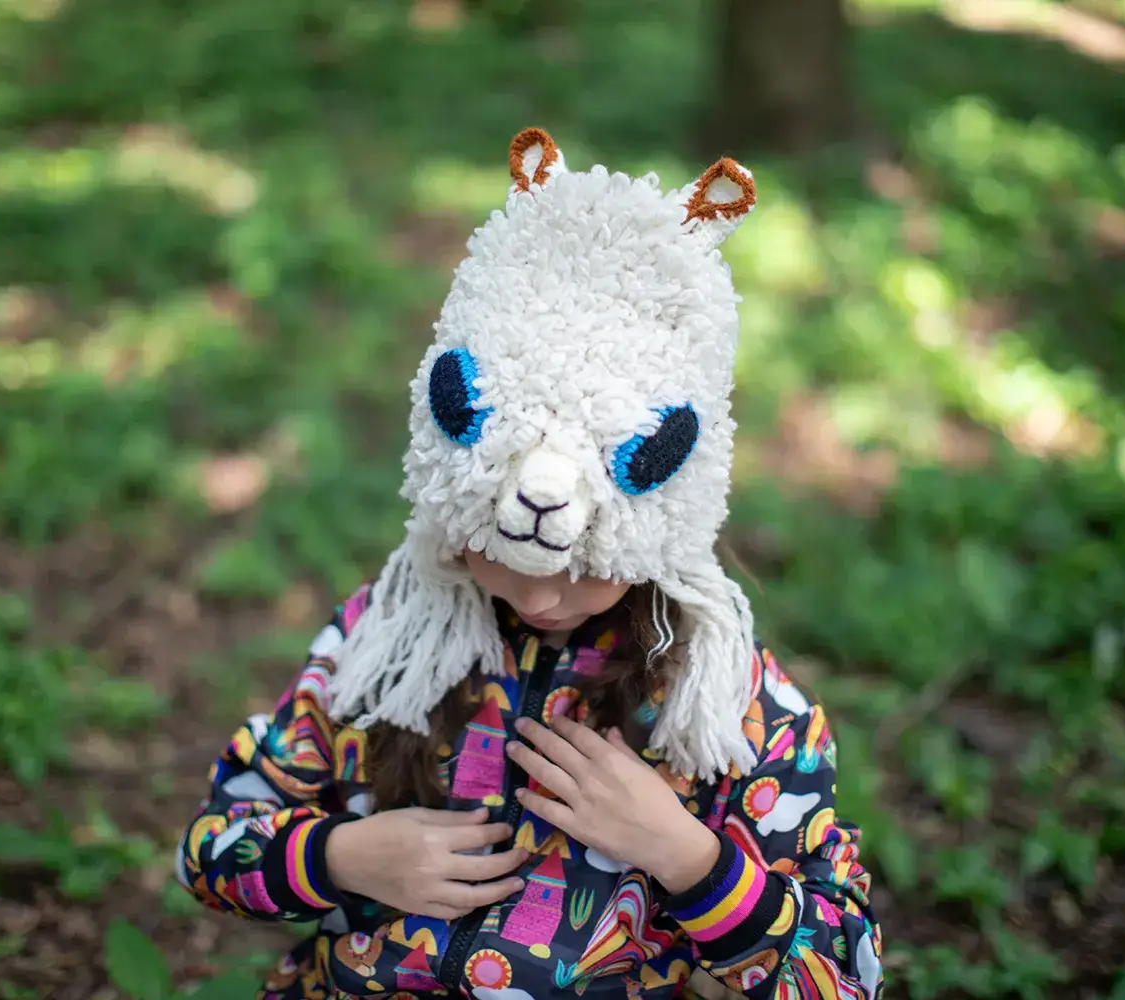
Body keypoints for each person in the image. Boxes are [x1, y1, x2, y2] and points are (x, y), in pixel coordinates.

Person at [175, 127, 883, 1000]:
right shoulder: (387, 640)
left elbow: (842, 980)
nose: (543, 593)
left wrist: (687, 859)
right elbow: (209, 850)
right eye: (496, 553)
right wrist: (342, 855)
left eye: (591, 565)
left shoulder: (729, 707)